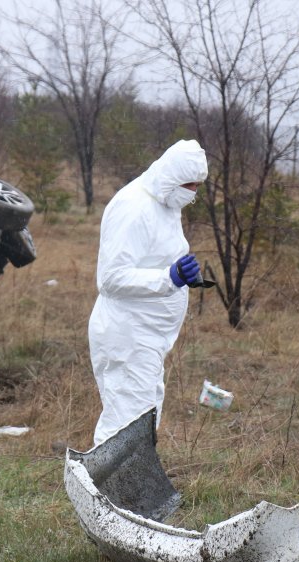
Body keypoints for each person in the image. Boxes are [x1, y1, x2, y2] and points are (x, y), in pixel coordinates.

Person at [88, 139, 208, 446]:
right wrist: (168, 278)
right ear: (172, 177)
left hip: (148, 338)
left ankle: (127, 489)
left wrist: (181, 276)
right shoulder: (134, 207)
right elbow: (111, 277)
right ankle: (105, 490)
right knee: (125, 421)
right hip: (127, 335)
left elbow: (152, 258)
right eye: (190, 184)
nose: (193, 192)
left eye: (197, 186)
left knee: (143, 416)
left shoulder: (164, 204)